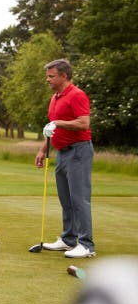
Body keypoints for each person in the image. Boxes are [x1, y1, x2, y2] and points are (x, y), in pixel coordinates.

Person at [34, 58, 95, 259]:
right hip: (61, 152)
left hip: (78, 151)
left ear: (64, 76)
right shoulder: (55, 98)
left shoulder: (77, 95)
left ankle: (86, 245)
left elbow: (83, 123)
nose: (47, 80)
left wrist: (58, 122)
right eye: (47, 76)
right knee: (66, 199)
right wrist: (43, 149)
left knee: (79, 199)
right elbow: (53, 129)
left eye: (51, 76)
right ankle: (68, 239)